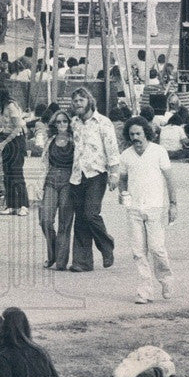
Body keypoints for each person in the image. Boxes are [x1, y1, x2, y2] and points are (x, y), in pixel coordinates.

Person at [118, 116, 176, 304]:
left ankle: (166, 280)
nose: (135, 137)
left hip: (155, 207)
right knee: (138, 252)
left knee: (157, 249)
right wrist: (123, 193)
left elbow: (170, 180)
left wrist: (173, 204)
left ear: (146, 133)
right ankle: (145, 291)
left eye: (139, 133)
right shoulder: (126, 155)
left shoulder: (159, 152)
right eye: (132, 134)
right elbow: (122, 179)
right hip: (134, 209)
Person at [68, 86, 120, 272]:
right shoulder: (73, 123)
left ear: (89, 101)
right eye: (75, 101)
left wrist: (114, 174)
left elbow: (112, 150)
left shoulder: (103, 123)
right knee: (81, 218)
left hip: (97, 173)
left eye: (81, 100)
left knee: (91, 213)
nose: (77, 104)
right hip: (77, 175)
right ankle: (82, 262)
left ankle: (106, 245)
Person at [39, 110, 75, 270]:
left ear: (69, 124)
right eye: (58, 122)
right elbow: (44, 163)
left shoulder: (75, 140)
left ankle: (60, 261)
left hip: (69, 181)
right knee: (45, 220)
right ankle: (53, 253)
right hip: (51, 180)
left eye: (64, 122)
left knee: (64, 223)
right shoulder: (50, 140)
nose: (61, 125)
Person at [0, 83, 29, 216]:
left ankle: (24, 205)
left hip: (15, 141)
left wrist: (4, 142)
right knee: (7, 174)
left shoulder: (11, 106)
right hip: (6, 139)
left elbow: (18, 127)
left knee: (16, 173)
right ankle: (12, 205)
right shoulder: (1, 107)